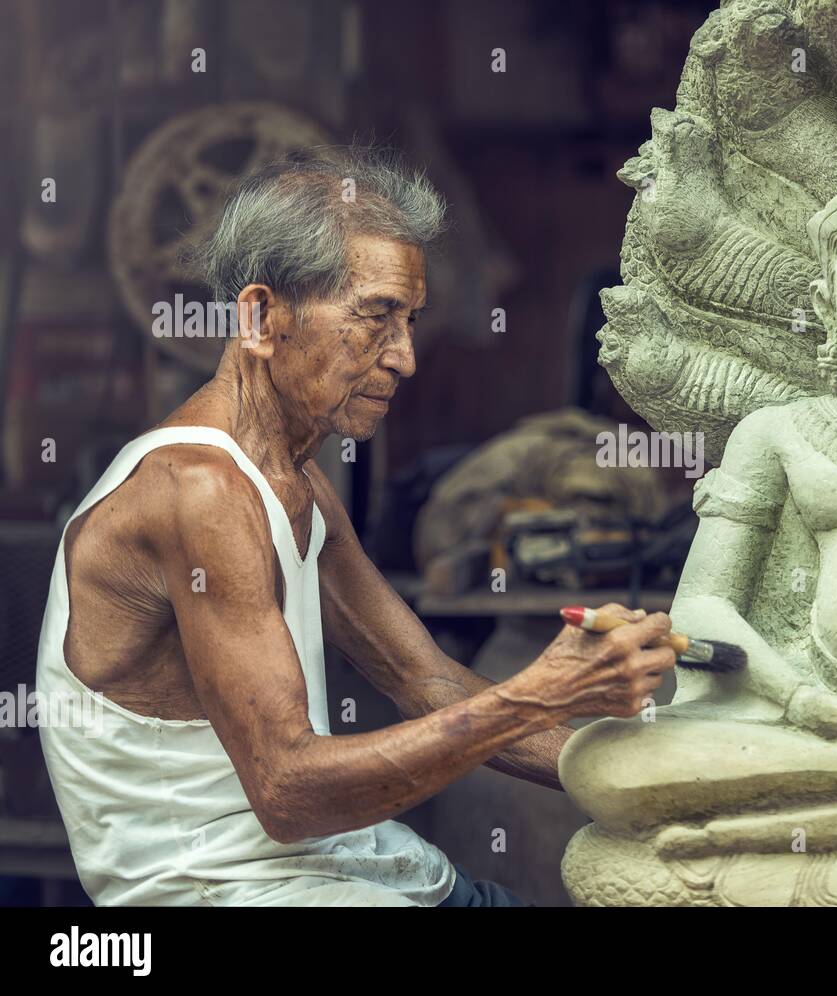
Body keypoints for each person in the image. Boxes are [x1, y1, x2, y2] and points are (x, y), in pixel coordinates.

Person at [35, 146, 674, 906]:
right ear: (262, 318)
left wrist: (644, 784)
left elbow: (425, 678)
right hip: (225, 890)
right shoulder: (198, 492)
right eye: (374, 318)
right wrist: (534, 695)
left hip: (347, 868)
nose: (403, 358)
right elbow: (287, 791)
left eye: (409, 321)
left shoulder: (293, 478)